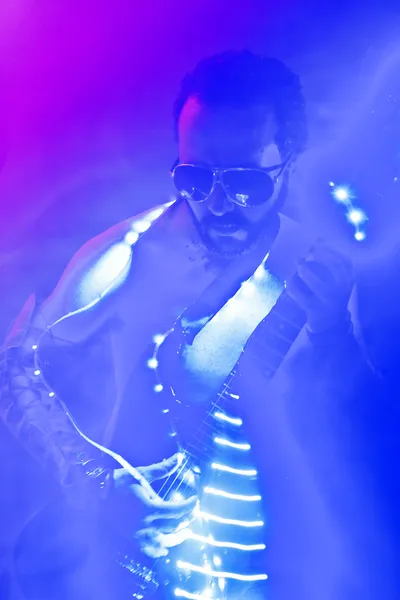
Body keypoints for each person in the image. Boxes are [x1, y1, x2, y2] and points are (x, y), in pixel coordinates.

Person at [0, 51, 380, 600]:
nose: (218, 204)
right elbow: (16, 367)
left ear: (289, 160)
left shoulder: (318, 273)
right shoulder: (127, 257)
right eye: (196, 178)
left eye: (246, 181)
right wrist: (94, 480)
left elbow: (366, 440)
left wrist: (334, 339)